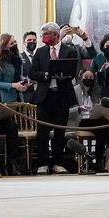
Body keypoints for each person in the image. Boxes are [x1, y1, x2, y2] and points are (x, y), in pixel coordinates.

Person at [29, 22, 80, 174]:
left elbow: (72, 71)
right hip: (45, 96)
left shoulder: (69, 51)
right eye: (42, 35)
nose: (43, 38)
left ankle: (59, 162)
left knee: (59, 131)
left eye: (46, 34)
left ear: (56, 35)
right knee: (43, 131)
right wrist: (46, 75)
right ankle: (43, 163)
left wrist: (61, 75)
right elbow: (32, 73)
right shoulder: (40, 52)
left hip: (62, 95)